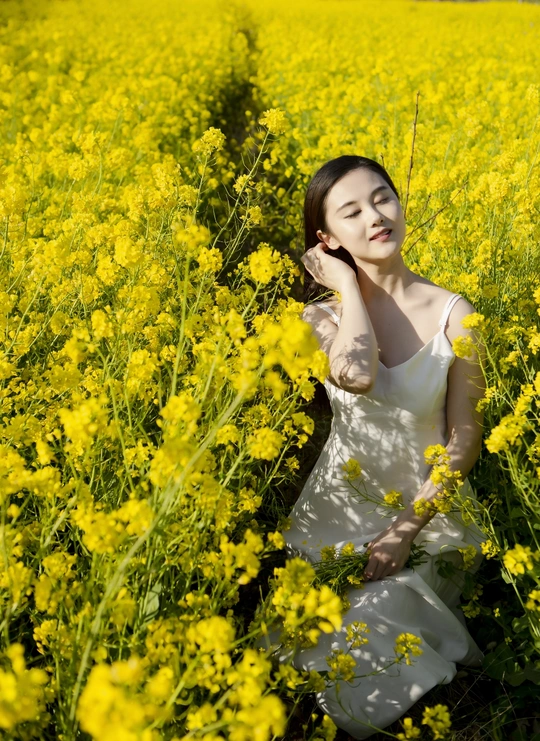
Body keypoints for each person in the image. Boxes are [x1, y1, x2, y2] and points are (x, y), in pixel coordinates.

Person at [283, 155, 487, 738]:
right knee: (313, 629)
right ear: (326, 240)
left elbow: (465, 437)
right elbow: (357, 375)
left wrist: (405, 529)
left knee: (381, 616)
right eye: (351, 212)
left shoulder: (456, 315)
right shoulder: (320, 317)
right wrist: (348, 285)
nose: (375, 216)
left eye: (382, 198)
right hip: (336, 516)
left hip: (427, 516)